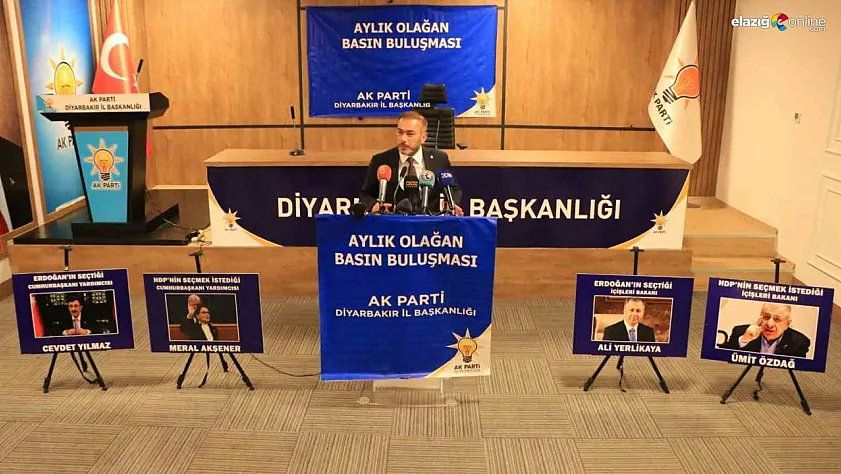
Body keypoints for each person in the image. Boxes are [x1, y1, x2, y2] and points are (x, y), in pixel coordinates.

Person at [359, 110, 463, 215]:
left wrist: (452, 204)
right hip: (392, 220)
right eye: (400, 132)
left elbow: (453, 189)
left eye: (410, 134)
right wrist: (374, 205)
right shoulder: (381, 160)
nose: (403, 139)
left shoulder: (439, 159)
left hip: (428, 221)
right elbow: (365, 194)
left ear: (423, 138)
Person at [721, 302, 810, 357]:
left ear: (787, 324)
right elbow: (724, 358)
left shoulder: (799, 342)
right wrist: (744, 340)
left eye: (777, 319)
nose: (769, 324)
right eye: (766, 317)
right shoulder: (740, 332)